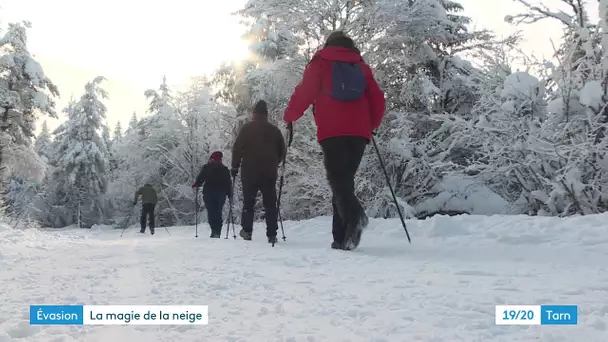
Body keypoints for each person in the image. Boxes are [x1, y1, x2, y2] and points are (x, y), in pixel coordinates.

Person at [283, 30, 386, 251]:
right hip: (359, 134)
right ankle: (341, 237)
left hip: (332, 131)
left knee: (339, 182)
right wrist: (371, 125)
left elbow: (305, 93)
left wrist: (290, 116)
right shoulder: (360, 65)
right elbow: (377, 98)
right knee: (344, 182)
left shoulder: (321, 62)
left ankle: (355, 217)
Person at [231, 100, 286, 244]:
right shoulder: (274, 130)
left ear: (254, 113)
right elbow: (282, 151)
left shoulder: (247, 128)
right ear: (266, 114)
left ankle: (247, 231)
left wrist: (235, 167)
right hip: (269, 172)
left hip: (249, 172)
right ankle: (272, 234)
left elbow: (237, 148)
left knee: (248, 202)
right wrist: (275, 163)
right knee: (270, 204)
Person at [192, 151, 232, 238]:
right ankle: (217, 231)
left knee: (211, 212)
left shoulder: (207, 168)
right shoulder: (224, 169)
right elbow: (228, 183)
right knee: (218, 212)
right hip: (221, 194)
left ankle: (214, 230)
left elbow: (200, 178)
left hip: (209, 193)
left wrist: (196, 184)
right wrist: (230, 194)